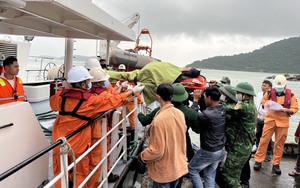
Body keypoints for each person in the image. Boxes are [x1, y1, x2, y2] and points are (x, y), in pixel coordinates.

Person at [50, 66, 144, 187]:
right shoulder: (90, 102)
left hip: (59, 142)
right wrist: (132, 91)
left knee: (61, 173)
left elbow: (53, 105)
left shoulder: (59, 96)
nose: (89, 83)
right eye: (87, 81)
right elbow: (113, 101)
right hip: (78, 145)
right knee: (81, 174)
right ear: (82, 84)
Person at [139, 83, 188, 187]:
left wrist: (142, 157)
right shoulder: (179, 113)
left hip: (164, 173)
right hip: (179, 167)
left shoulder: (159, 120)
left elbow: (157, 151)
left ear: (158, 97)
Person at [254, 75, 299, 175]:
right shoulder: (269, 93)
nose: (278, 89)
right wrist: (268, 104)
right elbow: (263, 102)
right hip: (270, 120)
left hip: (283, 122)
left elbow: (295, 109)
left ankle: (276, 164)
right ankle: (258, 161)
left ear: (285, 85)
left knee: (279, 144)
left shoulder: (291, 95)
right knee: (263, 141)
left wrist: (285, 109)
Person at [217, 82, 257, 188]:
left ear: (246, 95)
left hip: (240, 149)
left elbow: (226, 108)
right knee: (234, 176)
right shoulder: (251, 106)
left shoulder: (244, 106)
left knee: (228, 176)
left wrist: (220, 99)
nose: (237, 95)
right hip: (244, 147)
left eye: (239, 93)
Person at [189, 86, 226, 188]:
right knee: (209, 174)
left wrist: (195, 101)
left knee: (192, 169)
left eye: (204, 97)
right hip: (220, 150)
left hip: (209, 151)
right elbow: (209, 108)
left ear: (209, 97)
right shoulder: (223, 109)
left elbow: (194, 115)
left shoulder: (206, 115)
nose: (204, 98)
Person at [254, 80, 273, 162]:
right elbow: (257, 105)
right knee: (258, 134)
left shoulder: (272, 95)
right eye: (262, 85)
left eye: (265, 85)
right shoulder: (259, 95)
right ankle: (258, 149)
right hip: (259, 117)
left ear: (270, 87)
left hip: (268, 118)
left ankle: (268, 153)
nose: (262, 87)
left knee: (267, 136)